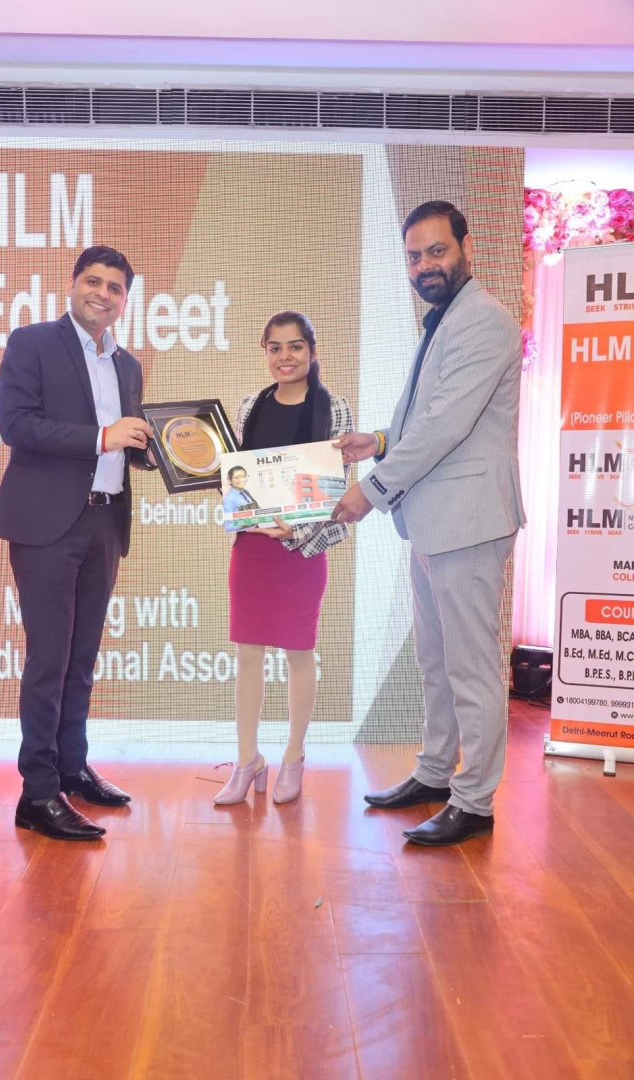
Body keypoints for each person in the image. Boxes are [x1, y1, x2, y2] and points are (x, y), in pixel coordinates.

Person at [331, 201, 526, 847]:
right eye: (414, 256)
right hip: (437, 521)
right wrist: (380, 442)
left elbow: (446, 425)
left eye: (436, 251)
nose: (424, 265)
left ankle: (474, 801)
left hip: (468, 523)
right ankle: (437, 772)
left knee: (470, 667)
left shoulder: (484, 319)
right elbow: (428, 417)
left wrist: (371, 490)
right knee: (437, 661)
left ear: (466, 247)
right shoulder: (447, 319)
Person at [0, 245, 154, 841]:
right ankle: (37, 793)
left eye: (115, 287)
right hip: (46, 525)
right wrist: (103, 436)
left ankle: (71, 768)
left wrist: (157, 450)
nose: (102, 294)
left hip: (105, 523)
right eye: (93, 281)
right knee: (49, 660)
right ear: (73, 284)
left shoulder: (127, 365)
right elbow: (17, 424)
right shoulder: (32, 342)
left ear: (125, 301)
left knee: (81, 659)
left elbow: (125, 444)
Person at [214, 311, 353, 806]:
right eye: (275, 348)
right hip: (253, 547)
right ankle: (247, 759)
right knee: (247, 654)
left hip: (302, 549)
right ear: (265, 352)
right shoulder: (250, 406)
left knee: (299, 653)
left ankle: (294, 757)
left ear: (312, 352)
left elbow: (337, 487)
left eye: (295, 347)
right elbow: (235, 478)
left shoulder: (334, 409)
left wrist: (297, 528)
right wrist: (230, 499)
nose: (285, 357)